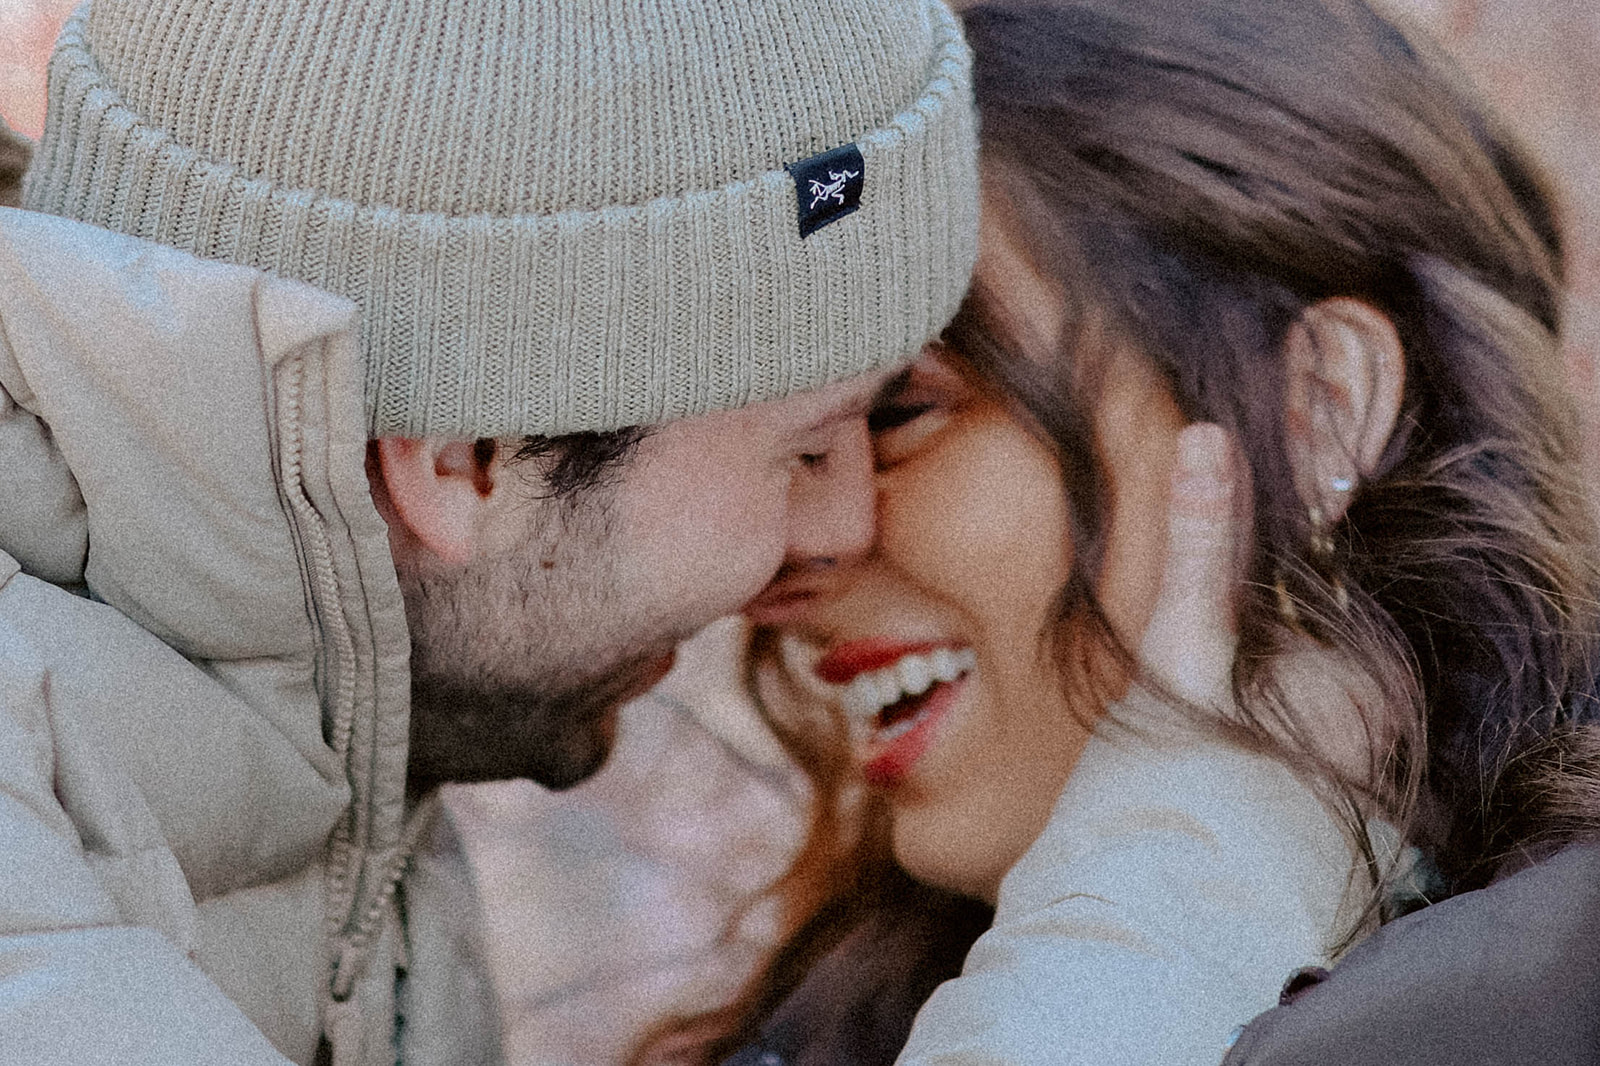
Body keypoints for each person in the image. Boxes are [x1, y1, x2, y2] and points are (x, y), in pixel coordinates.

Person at [0, 0, 978, 1063]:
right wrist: (1155, 861)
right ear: (462, 458)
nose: (843, 526)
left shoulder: (352, 719)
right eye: (804, 447)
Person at [632, 1, 1600, 1063]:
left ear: (1317, 405)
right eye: (801, 438)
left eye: (901, 412)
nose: (780, 557)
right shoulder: (827, 1025)